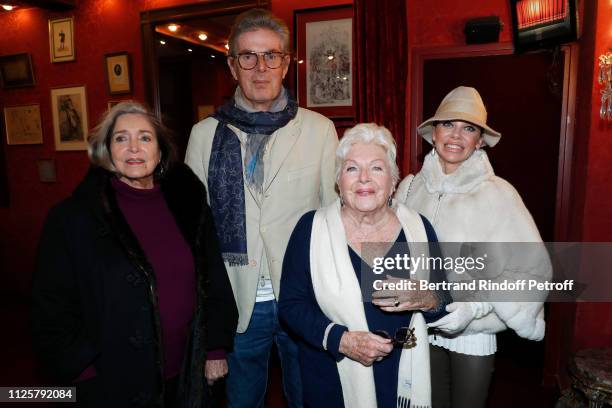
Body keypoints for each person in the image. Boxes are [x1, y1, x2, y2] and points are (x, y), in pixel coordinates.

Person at [31, 101, 238, 408]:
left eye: (144, 137)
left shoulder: (190, 206)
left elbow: (213, 279)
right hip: (112, 383)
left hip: (186, 375)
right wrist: (83, 371)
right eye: (121, 138)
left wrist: (215, 349)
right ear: (106, 150)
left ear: (160, 149)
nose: (133, 148)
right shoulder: (73, 218)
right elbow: (50, 306)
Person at [185, 8, 338, 408]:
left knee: (309, 399)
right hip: (236, 302)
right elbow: (194, 233)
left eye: (271, 55)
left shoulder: (319, 130)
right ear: (232, 66)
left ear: (286, 63)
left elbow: (334, 217)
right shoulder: (203, 136)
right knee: (240, 401)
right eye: (247, 57)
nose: (260, 67)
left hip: (302, 297)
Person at [395, 86, 551, 408]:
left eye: (469, 128)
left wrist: (474, 308)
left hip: (473, 334)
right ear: (433, 133)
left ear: (480, 140)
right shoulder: (409, 189)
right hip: (421, 326)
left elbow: (533, 268)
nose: (456, 135)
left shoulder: (499, 194)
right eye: (448, 124)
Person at [279, 123, 450, 408]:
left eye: (377, 168)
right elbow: (291, 306)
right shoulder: (311, 228)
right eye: (352, 168)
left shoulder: (418, 228)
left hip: (401, 377)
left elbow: (443, 300)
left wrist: (426, 297)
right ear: (338, 181)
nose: (364, 179)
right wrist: (341, 340)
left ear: (393, 180)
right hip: (331, 376)